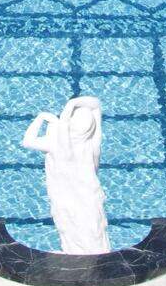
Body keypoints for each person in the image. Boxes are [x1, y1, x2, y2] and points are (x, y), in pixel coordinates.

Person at [22, 96, 110, 253]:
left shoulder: (57, 143)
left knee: (71, 227)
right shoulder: (92, 143)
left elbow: (27, 141)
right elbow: (96, 105)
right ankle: (99, 258)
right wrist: (72, 104)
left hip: (67, 198)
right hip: (90, 195)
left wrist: (42, 117)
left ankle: (75, 257)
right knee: (94, 229)